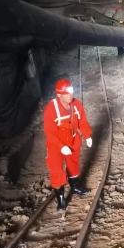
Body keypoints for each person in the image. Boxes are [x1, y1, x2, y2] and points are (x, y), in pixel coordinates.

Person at [43, 79, 93, 211]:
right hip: (56, 144)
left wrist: (87, 135)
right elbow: (49, 132)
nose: (70, 95)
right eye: (66, 93)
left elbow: (82, 121)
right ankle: (61, 199)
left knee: (73, 164)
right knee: (56, 170)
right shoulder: (51, 109)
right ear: (59, 95)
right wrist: (61, 146)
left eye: (71, 92)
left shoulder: (76, 104)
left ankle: (75, 187)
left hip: (73, 140)